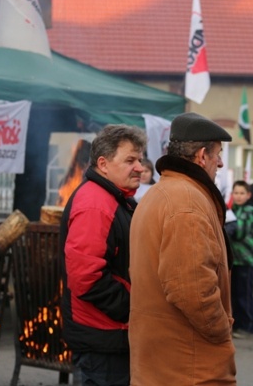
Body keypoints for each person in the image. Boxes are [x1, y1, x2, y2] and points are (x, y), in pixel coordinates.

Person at [129, 112, 236, 385]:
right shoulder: (186, 201)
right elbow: (191, 290)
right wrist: (222, 329)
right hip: (189, 366)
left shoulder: (161, 193)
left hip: (165, 361)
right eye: (218, 154)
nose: (221, 163)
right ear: (202, 156)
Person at [59, 124, 146, 386]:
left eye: (140, 160)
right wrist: (134, 307)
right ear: (103, 164)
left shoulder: (114, 198)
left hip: (110, 335)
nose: (140, 167)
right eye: (130, 160)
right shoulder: (96, 205)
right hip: (103, 338)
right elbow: (86, 278)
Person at [225, 180, 253, 338]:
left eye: (242, 193)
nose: (238, 196)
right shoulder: (233, 210)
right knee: (235, 295)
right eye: (236, 193)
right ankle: (238, 325)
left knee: (245, 295)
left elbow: (239, 233)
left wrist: (229, 224)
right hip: (235, 260)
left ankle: (247, 326)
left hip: (246, 260)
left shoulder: (249, 211)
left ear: (248, 195)